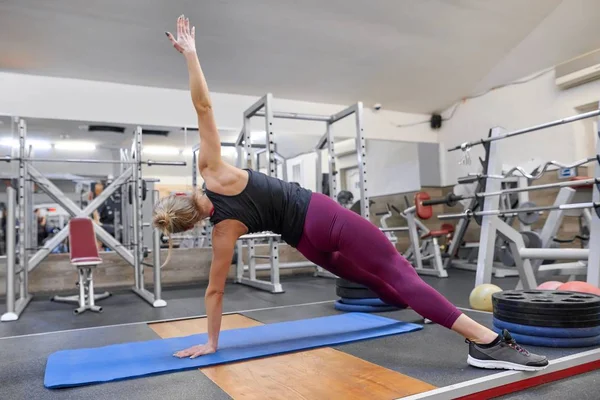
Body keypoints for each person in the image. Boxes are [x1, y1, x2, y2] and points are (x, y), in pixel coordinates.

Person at [153, 15, 548, 371]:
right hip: (322, 217)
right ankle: (487, 343)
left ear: (192, 224)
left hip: (308, 244)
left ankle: (428, 310)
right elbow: (203, 106)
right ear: (186, 194)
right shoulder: (213, 171)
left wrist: (210, 342)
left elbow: (215, 290)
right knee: (400, 273)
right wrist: (191, 54)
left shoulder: (223, 231)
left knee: (384, 285)